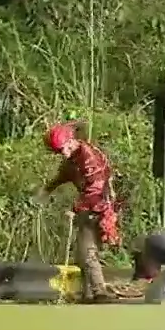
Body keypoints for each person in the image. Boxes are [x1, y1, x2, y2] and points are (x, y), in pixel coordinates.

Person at [35, 121, 118, 302]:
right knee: (82, 251)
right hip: (88, 207)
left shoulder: (88, 157)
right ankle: (88, 293)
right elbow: (63, 175)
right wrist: (46, 190)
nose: (63, 154)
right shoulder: (72, 159)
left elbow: (95, 188)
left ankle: (99, 291)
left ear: (71, 141)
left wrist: (75, 209)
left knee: (87, 250)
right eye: (59, 152)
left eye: (64, 149)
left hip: (99, 207)